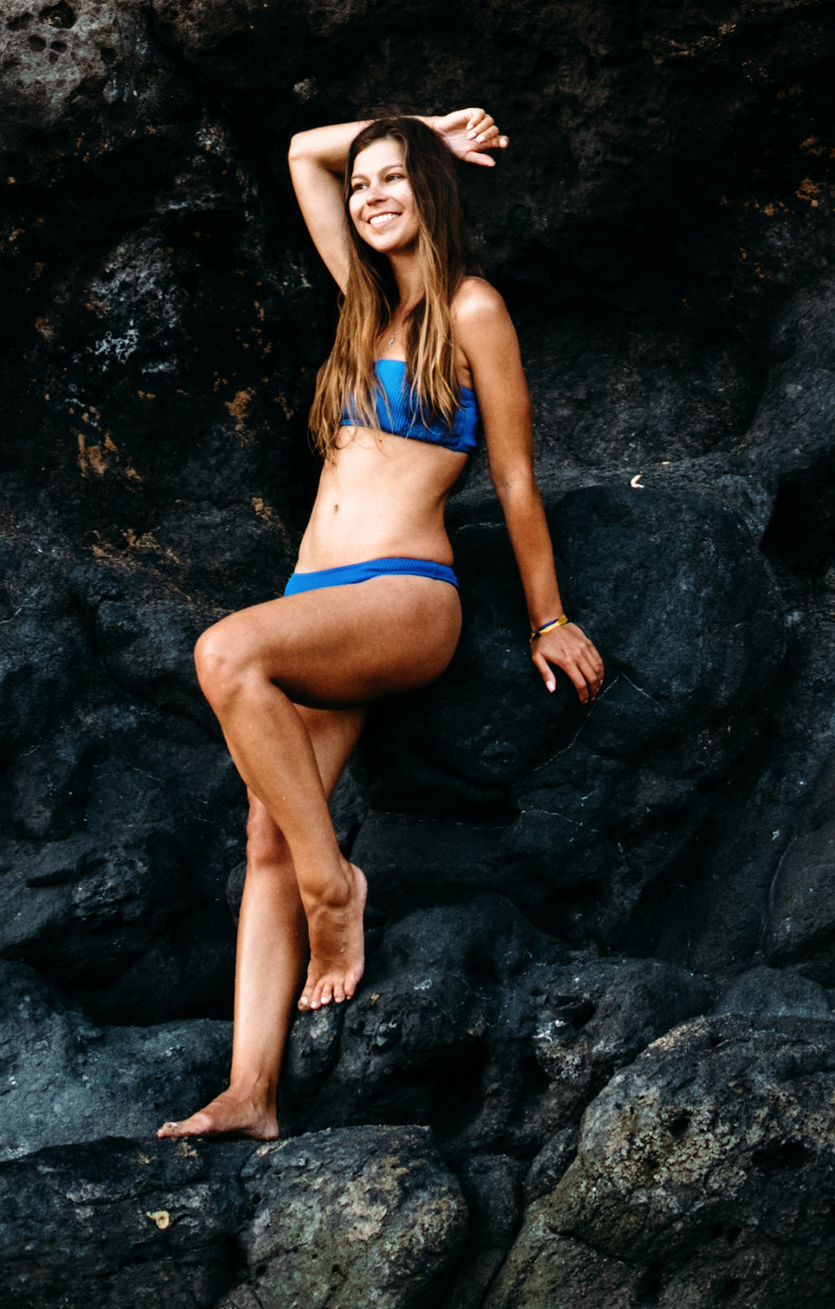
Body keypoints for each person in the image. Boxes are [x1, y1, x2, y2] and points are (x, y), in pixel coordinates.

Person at [160, 104, 606, 1142]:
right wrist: (411, 129)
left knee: (224, 652)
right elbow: (296, 149)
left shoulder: (473, 308)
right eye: (363, 186)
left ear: (434, 192)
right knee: (267, 829)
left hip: (404, 595)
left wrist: (548, 620)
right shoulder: (364, 309)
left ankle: (336, 889)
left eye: (393, 178)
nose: (368, 195)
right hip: (317, 602)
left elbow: (515, 475)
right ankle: (251, 1094)